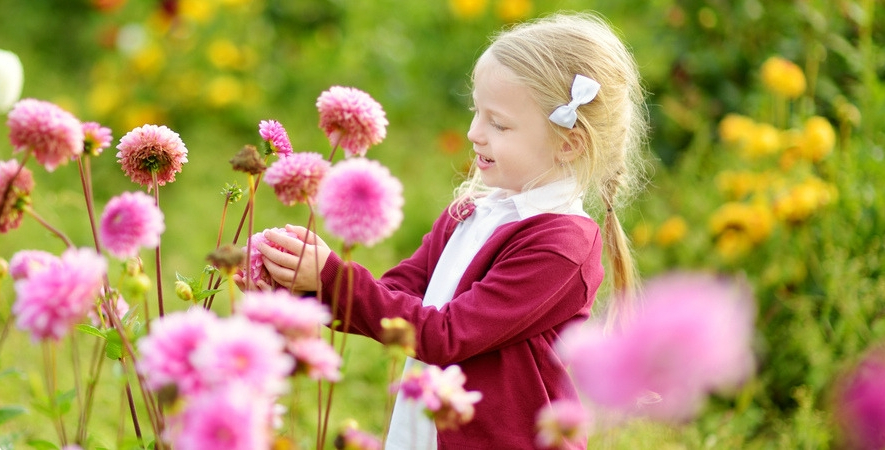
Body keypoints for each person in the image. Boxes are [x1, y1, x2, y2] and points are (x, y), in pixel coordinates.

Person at [254, 12, 647, 449]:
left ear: (567, 143)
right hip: (429, 430)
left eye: (498, 123)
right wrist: (303, 285)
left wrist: (331, 277)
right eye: (477, 112)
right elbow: (397, 291)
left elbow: (446, 335)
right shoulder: (474, 210)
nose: (474, 132)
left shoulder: (562, 246)